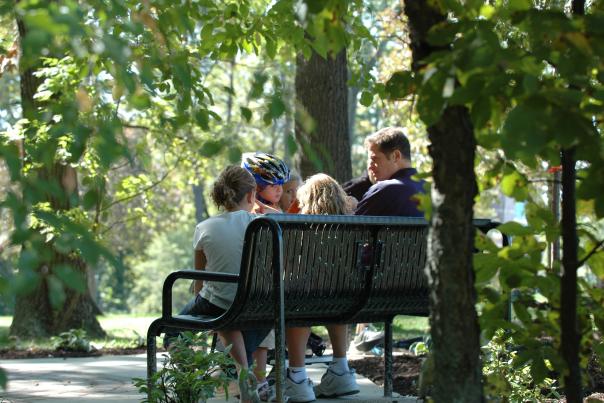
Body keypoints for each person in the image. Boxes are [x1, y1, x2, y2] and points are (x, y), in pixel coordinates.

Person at [176, 165, 270, 402]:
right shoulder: (265, 224)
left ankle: (194, 380)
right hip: (261, 306)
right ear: (251, 196)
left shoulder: (204, 227)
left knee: (170, 332)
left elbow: (199, 283)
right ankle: (243, 372)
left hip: (218, 303)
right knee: (231, 315)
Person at [283, 174, 360, 402]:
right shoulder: (353, 224)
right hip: (348, 296)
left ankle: (296, 377)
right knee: (333, 293)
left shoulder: (299, 226)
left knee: (297, 299)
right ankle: (341, 369)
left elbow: (285, 262)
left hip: (305, 297)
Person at [241, 151, 291, 400]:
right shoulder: (260, 215)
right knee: (262, 333)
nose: (279, 189)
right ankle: (255, 380)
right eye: (272, 184)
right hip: (265, 292)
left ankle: (256, 381)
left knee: (260, 336)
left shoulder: (266, 213)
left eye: (281, 184)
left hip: (256, 291)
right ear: (255, 186)